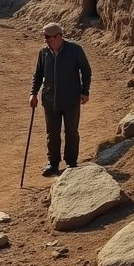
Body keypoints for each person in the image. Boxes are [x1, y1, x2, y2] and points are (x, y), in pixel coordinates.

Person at [30, 22, 91, 177]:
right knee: (52, 133)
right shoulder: (43, 52)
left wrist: (85, 92)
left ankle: (71, 163)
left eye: (48, 37)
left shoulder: (75, 50)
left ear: (59, 36)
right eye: (45, 37)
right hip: (50, 100)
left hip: (70, 99)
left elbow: (86, 70)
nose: (46, 40)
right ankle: (53, 163)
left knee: (71, 132)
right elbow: (38, 74)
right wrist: (33, 93)